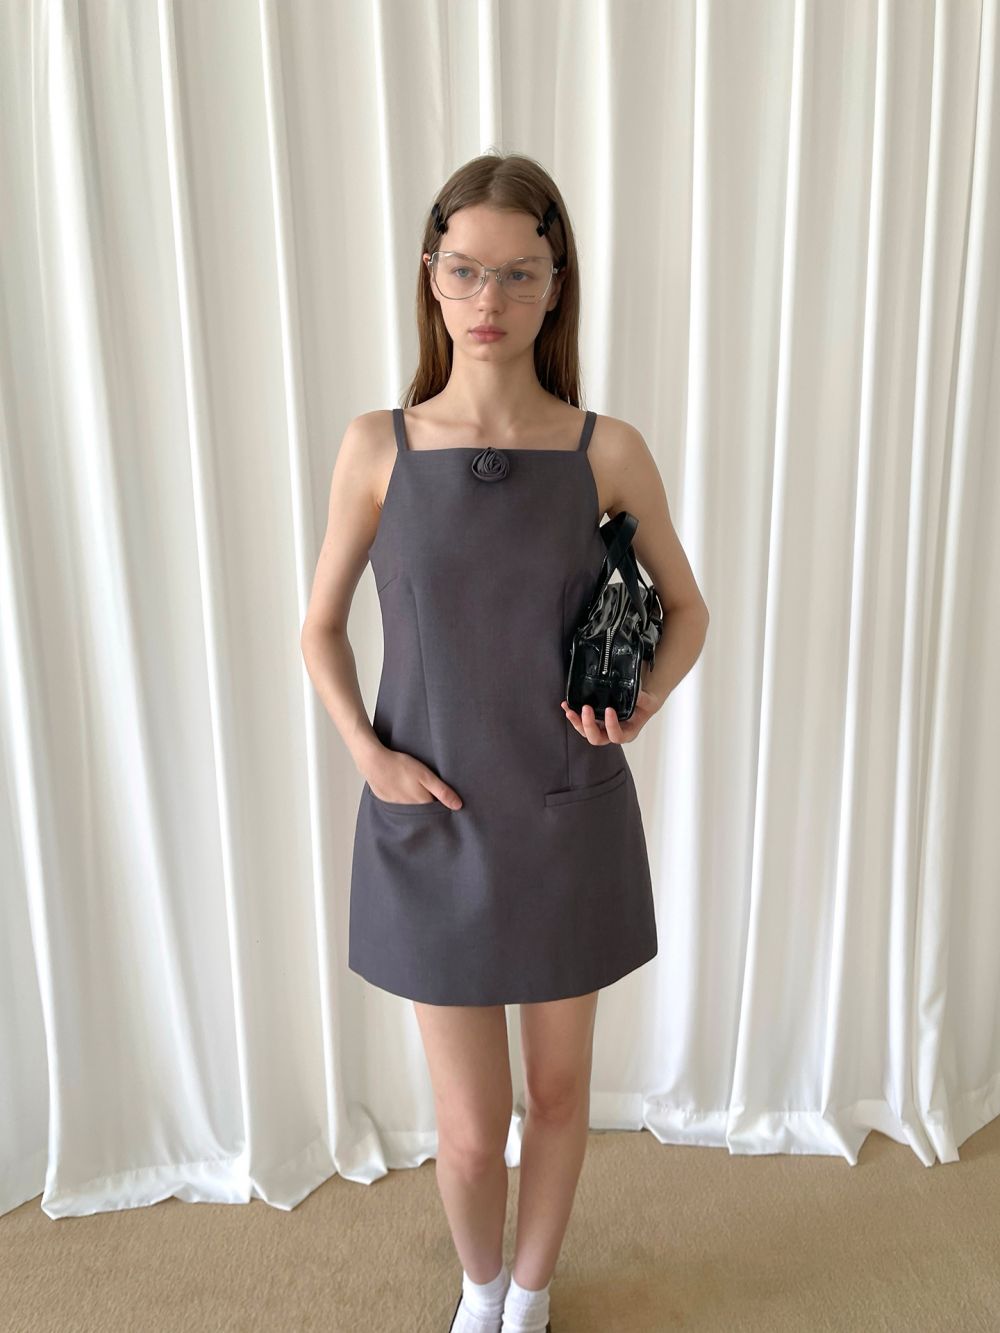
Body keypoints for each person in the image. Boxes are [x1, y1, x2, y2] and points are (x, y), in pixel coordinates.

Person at [301, 151, 710, 1333]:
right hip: (428, 821)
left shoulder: (604, 448)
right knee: (473, 1131)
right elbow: (319, 627)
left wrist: (640, 705)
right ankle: (478, 1284)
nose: (490, 299)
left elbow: (688, 610)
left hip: (564, 812)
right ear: (431, 276)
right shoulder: (377, 446)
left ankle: (528, 1297)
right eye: (466, 270)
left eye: (519, 273)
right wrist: (368, 755)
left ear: (554, 284)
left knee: (561, 1093)